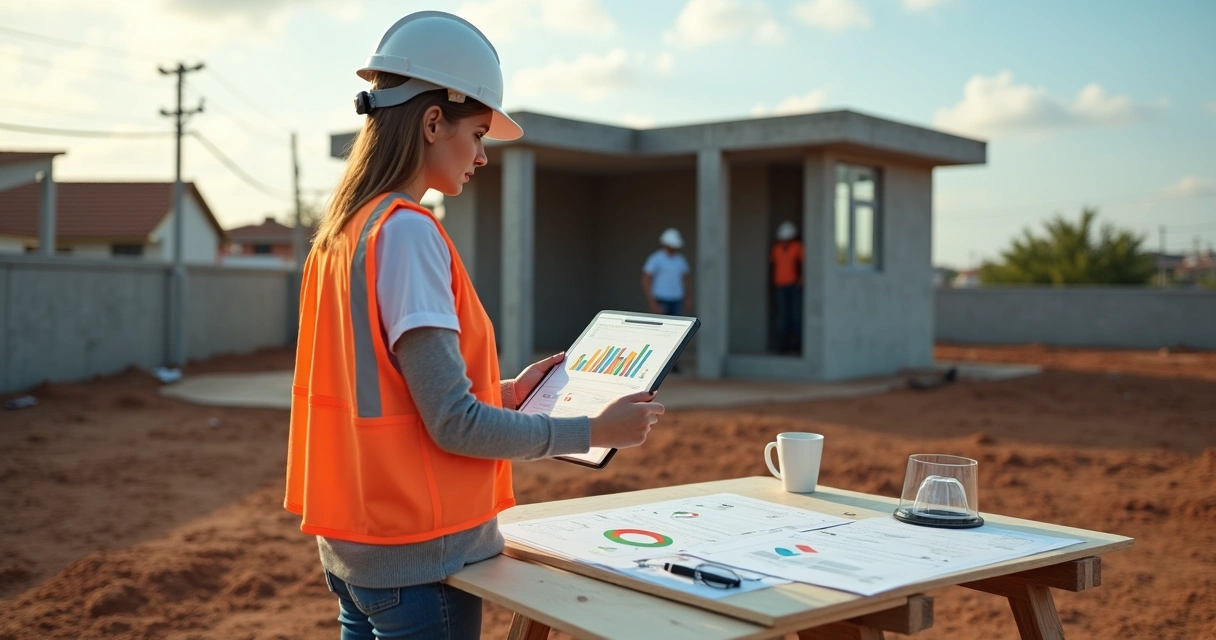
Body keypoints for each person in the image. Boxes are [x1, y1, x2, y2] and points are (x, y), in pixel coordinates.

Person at [285, 12, 664, 640]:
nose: (483, 156)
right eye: (479, 133)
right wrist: (591, 430)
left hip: (359, 547)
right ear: (434, 122)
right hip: (419, 558)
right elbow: (454, 424)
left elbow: (393, 395)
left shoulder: (345, 234)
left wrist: (510, 392)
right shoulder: (406, 233)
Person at [770, 221, 804, 354]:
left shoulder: (797, 247)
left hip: (794, 286)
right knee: (782, 317)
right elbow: (772, 265)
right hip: (779, 286)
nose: (783, 241)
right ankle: (781, 346)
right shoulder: (776, 249)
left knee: (795, 315)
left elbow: (803, 264)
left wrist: (801, 280)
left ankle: (795, 346)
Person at [642, 227, 692, 316]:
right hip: (660, 298)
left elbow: (685, 279)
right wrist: (652, 302)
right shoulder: (656, 258)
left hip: (677, 298)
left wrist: (687, 297)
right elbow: (646, 279)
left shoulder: (680, 260)